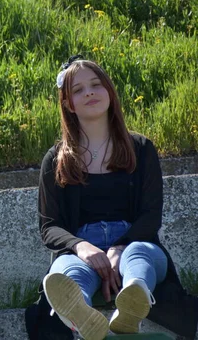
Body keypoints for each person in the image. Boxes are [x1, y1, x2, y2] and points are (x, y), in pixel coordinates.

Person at [24, 56, 198, 340]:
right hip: (81, 252)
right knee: (65, 271)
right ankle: (78, 310)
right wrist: (81, 247)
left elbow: (151, 215)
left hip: (137, 243)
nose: (89, 92)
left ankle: (133, 302)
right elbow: (49, 226)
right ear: (68, 103)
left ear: (109, 92)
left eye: (95, 84)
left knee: (138, 255)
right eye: (78, 90)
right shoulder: (56, 159)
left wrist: (120, 246)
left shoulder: (140, 148)